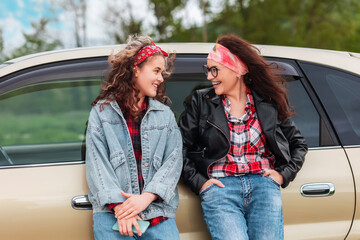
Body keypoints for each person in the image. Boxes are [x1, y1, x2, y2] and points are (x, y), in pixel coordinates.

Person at [179, 34, 308, 240]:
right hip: (221, 189)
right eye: (208, 70)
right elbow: (179, 148)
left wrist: (283, 175)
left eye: (215, 70)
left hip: (263, 187)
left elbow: (298, 144)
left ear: (237, 69)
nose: (210, 77)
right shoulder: (201, 101)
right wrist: (200, 183)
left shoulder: (267, 102)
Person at [86, 35, 183, 240]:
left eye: (162, 72)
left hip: (158, 214)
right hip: (112, 215)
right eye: (156, 71)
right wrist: (123, 209)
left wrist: (146, 198)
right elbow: (97, 164)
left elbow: (173, 161)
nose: (161, 78)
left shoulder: (165, 115)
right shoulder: (101, 114)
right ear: (136, 68)